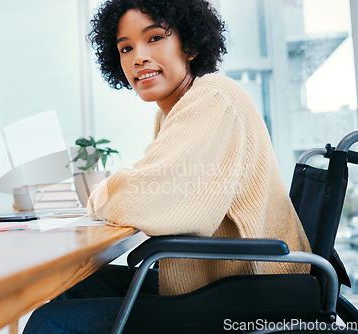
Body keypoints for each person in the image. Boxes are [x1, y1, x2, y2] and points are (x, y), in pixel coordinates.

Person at [24, 0, 311, 332]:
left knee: (48, 322)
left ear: (189, 45)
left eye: (155, 38)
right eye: (126, 47)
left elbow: (146, 199)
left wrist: (100, 194)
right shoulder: (174, 111)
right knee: (73, 288)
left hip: (252, 294)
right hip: (218, 281)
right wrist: (118, 191)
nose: (138, 56)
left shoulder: (213, 100)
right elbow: (150, 182)